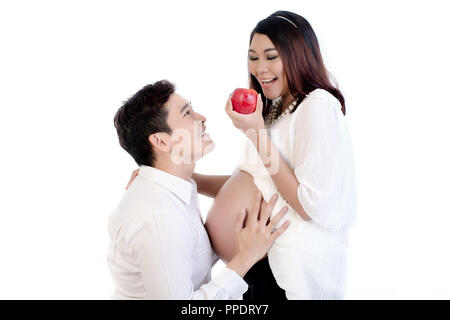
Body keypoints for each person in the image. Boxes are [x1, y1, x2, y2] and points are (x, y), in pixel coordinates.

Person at [198, 11, 357, 299]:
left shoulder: (317, 106)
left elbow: (310, 205)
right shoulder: (274, 111)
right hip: (253, 268)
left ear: (298, 56)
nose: (260, 68)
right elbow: (255, 184)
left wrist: (257, 135)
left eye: (271, 57)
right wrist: (184, 179)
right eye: (253, 57)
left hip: (284, 275)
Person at [107, 80, 290, 299]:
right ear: (162, 142)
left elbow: (188, 254)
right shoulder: (160, 218)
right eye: (187, 114)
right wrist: (246, 256)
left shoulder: (174, 186)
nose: (202, 118)